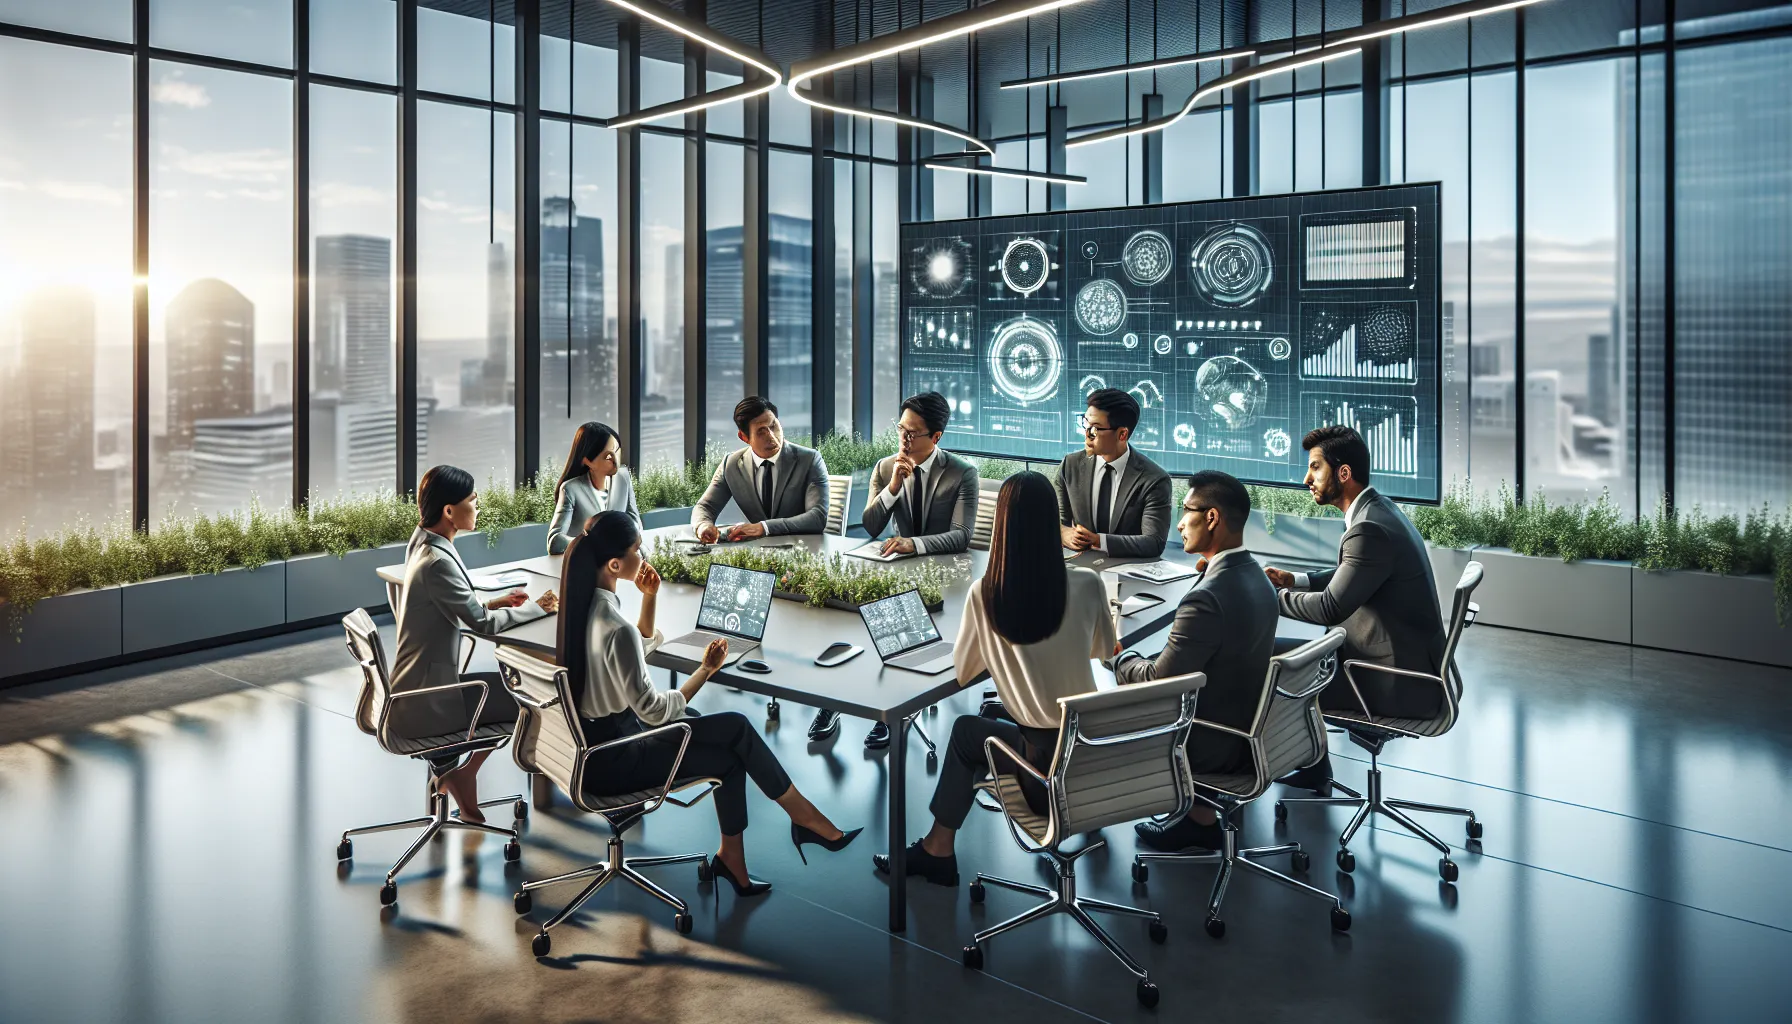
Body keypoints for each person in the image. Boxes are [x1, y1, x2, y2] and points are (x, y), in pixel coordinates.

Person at [559, 510, 862, 895]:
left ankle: (737, 856)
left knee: (723, 744)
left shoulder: (584, 609)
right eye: (638, 548)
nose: (644, 553)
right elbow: (652, 710)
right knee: (732, 732)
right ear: (616, 564)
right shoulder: (615, 627)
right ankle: (803, 818)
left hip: (596, 750)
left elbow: (626, 656)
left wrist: (649, 598)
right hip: (618, 758)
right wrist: (706, 670)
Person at [873, 471, 1115, 886]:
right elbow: (1101, 651)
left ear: (1001, 522)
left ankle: (937, 849)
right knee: (997, 714)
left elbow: (965, 673)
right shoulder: (1089, 582)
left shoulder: (986, 593)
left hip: (1045, 778)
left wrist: (1000, 649)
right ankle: (937, 847)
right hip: (1096, 757)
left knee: (968, 730)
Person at [1266, 425, 1448, 793]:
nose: (1307, 479)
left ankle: (1241, 777)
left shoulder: (1369, 529)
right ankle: (1312, 765)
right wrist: (1296, 580)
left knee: (1266, 664)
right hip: (1408, 665)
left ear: (1343, 474)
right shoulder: (1379, 511)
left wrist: (1268, 597)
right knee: (1288, 658)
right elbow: (1355, 573)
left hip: (1389, 681)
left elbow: (1331, 607)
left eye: (1315, 467)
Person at [1110, 471, 1278, 852]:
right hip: (1248, 730)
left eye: (1186, 511)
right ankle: (1200, 816)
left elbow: (1158, 682)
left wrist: (1119, 657)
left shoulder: (1208, 598)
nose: (1180, 523)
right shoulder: (1257, 577)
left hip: (1208, 743)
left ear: (1212, 518)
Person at [390, 465, 560, 824]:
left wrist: (496, 602)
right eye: (472, 500)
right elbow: (481, 625)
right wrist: (536, 607)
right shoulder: (438, 561)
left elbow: (455, 604)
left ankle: (462, 778)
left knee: (512, 687)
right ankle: (464, 775)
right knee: (530, 696)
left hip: (413, 686)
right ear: (449, 511)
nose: (478, 505)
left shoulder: (424, 541)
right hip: (429, 700)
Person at [840, 390, 980, 748]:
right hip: (898, 573)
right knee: (865, 626)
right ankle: (873, 708)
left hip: (945, 577)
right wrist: (892, 488)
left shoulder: (962, 473)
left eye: (912, 433)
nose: (903, 438)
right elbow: (870, 526)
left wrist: (913, 544)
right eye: (901, 429)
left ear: (935, 437)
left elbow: (962, 536)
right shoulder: (886, 467)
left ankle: (897, 710)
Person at [691, 396, 830, 543]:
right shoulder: (731, 465)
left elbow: (818, 517)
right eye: (761, 431)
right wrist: (703, 526)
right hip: (757, 553)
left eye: (773, 426)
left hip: (804, 550)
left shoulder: (810, 460)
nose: (771, 436)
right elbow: (705, 506)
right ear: (744, 437)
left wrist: (764, 527)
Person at [1054, 388, 1173, 558]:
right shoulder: (1070, 465)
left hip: (1128, 576)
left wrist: (1098, 540)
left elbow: (1154, 542)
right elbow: (1055, 521)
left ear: (1122, 434)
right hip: (1080, 571)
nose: (1087, 435)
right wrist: (1064, 534)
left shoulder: (1154, 480)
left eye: (1095, 429)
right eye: (1085, 423)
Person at [547, 421, 641, 555]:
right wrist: (592, 543)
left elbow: (634, 520)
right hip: (586, 565)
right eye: (608, 456)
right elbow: (555, 541)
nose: (616, 461)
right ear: (588, 461)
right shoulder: (571, 489)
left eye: (617, 451)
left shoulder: (623, 478)